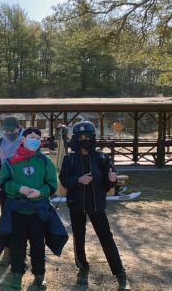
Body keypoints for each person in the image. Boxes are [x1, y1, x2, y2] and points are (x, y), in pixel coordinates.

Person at [59, 121, 131, 290]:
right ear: (75, 139)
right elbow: (64, 180)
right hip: (76, 205)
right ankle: (83, 267)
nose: (84, 140)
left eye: (87, 137)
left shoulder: (102, 158)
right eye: (81, 137)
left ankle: (120, 273)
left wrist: (112, 180)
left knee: (106, 238)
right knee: (79, 237)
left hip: (97, 205)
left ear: (93, 138)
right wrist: (78, 180)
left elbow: (110, 180)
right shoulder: (69, 159)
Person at [0, 127, 65, 290]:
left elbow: (52, 185)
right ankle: (16, 273)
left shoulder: (45, 161)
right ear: (23, 139)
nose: (34, 140)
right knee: (17, 243)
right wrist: (19, 188)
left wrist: (40, 192)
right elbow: (4, 183)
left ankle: (39, 275)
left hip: (38, 212)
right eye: (31, 137)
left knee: (38, 244)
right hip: (17, 211)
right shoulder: (10, 161)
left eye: (37, 138)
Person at [0, 116, 24, 265]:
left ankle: (21, 253)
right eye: (7, 130)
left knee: (24, 220)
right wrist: (3, 168)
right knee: (7, 219)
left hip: (24, 186)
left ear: (19, 127)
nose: (9, 132)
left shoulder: (26, 139)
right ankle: (7, 250)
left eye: (12, 129)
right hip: (4, 188)